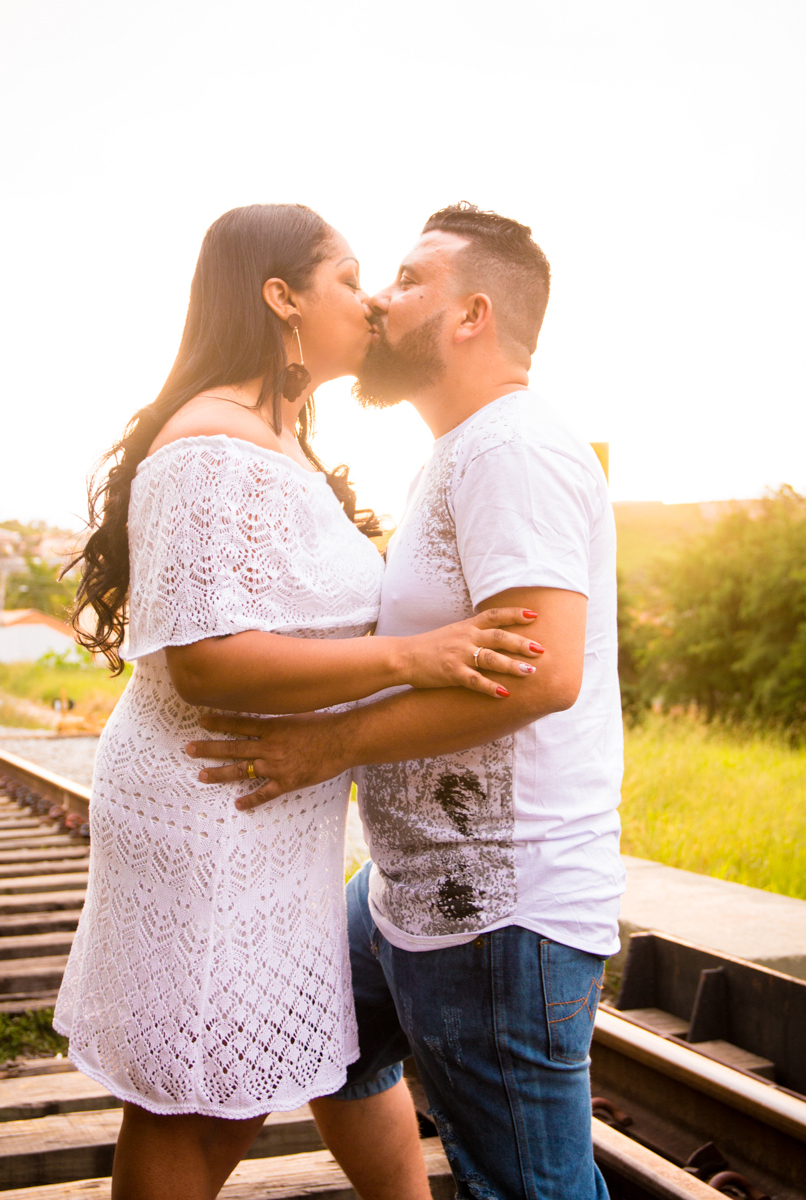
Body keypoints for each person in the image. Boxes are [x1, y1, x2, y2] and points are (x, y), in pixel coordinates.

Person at [53, 202, 545, 1200]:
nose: (367, 301)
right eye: (345, 277)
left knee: (261, 1064)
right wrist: (418, 658)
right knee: (199, 1099)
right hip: (212, 805)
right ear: (279, 298)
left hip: (260, 809)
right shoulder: (212, 445)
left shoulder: (274, 439)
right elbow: (206, 662)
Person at [190, 203, 625, 1200]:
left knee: (526, 1188)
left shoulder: (510, 450)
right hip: (410, 892)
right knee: (322, 1047)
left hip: (495, 910)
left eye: (410, 279)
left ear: (471, 316)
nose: (381, 299)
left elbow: (542, 672)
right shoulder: (459, 451)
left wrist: (324, 747)